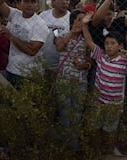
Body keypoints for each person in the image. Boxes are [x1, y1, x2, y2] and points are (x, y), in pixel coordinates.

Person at [82, 12, 127, 156]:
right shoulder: (101, 56)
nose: (108, 47)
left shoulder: (123, 62)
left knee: (111, 129)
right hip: (98, 101)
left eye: (112, 43)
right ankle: (97, 151)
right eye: (107, 43)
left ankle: (110, 149)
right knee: (96, 127)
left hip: (114, 104)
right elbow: (89, 41)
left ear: (120, 45)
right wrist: (84, 24)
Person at [0, 0, 49, 88]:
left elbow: (32, 50)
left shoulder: (40, 24)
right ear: (21, 3)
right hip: (11, 69)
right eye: (26, 1)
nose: (29, 4)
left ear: (37, 5)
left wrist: (11, 36)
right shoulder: (15, 15)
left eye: (33, 2)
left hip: (28, 74)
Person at [54, 9, 90, 152]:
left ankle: (73, 149)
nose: (81, 23)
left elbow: (89, 61)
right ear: (72, 21)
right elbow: (59, 47)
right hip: (63, 80)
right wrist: (72, 32)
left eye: (83, 20)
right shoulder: (63, 35)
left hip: (80, 81)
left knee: (76, 115)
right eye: (78, 19)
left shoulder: (87, 40)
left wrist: (84, 65)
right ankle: (65, 148)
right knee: (64, 114)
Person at [40, 0, 71, 71]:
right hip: (41, 63)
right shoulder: (43, 15)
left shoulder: (71, 19)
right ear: (53, 1)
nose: (64, 2)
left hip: (62, 65)